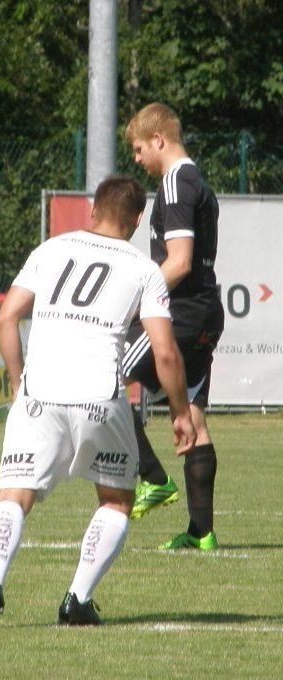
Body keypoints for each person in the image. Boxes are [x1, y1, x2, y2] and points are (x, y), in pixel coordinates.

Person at [0, 176, 195, 627]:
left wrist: (18, 384)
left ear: (93, 211)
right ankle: (77, 599)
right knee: (115, 500)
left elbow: (7, 316)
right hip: (99, 397)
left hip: (40, 392)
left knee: (13, 495)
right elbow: (164, 351)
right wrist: (181, 412)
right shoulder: (144, 268)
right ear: (138, 219)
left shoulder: (50, 249)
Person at [122, 103, 224, 551]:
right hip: (205, 314)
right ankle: (201, 533)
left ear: (159, 140)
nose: (137, 159)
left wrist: (131, 299)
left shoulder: (175, 182)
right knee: (194, 418)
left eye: (140, 148)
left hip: (179, 313)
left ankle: (153, 477)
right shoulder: (199, 181)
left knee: (103, 371)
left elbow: (178, 263)